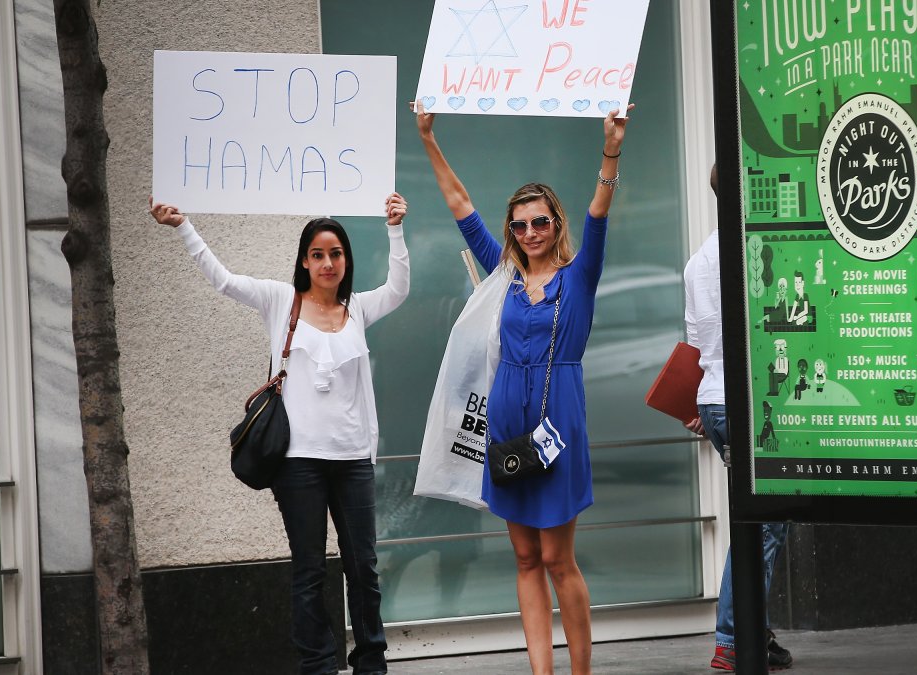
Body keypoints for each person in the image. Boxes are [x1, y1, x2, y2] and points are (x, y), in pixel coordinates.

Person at [149, 194, 410, 675]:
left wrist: (394, 228)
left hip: (352, 461)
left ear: (345, 259)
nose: (327, 262)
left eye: (335, 253)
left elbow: (398, 287)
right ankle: (318, 666)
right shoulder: (280, 302)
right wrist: (185, 226)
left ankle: (371, 663)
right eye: (317, 254)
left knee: (364, 570)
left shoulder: (358, 309)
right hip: (299, 464)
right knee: (309, 572)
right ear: (304, 261)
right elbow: (224, 280)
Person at [414, 101, 632, 675]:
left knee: (560, 559)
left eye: (539, 221)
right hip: (508, 425)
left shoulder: (578, 275)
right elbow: (462, 207)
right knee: (524, 556)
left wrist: (611, 148)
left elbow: (600, 211)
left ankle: (580, 671)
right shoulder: (502, 276)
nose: (529, 232)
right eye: (519, 224)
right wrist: (428, 137)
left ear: (556, 223)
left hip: (558, 423)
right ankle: (542, 671)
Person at [684, 164, 792, 672]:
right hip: (755, 402)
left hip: (714, 400)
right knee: (763, 527)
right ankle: (733, 639)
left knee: (757, 521)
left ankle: (757, 629)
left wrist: (697, 407)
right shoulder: (758, 250)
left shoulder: (697, 261)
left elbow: (696, 342)